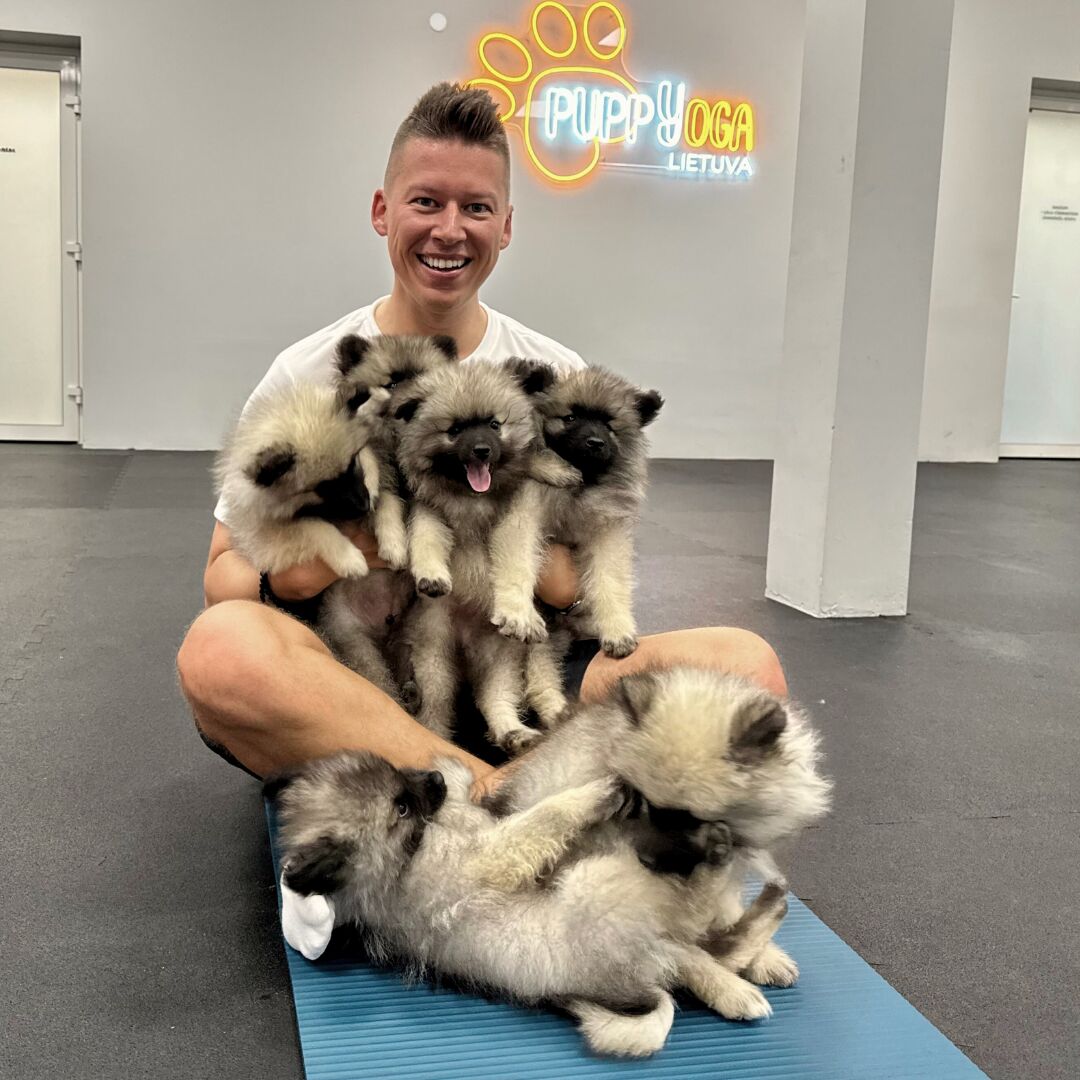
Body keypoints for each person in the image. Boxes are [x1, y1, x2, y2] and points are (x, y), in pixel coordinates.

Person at [176, 82, 786, 796]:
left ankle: (442, 790)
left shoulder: (550, 375)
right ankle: (505, 791)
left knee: (747, 666)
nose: (449, 229)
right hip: (360, 678)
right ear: (381, 210)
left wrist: (531, 564)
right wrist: (306, 565)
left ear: (506, 226)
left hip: (519, 655)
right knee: (220, 651)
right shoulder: (307, 372)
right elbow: (221, 577)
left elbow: (588, 559)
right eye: (425, 201)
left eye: (476, 207)